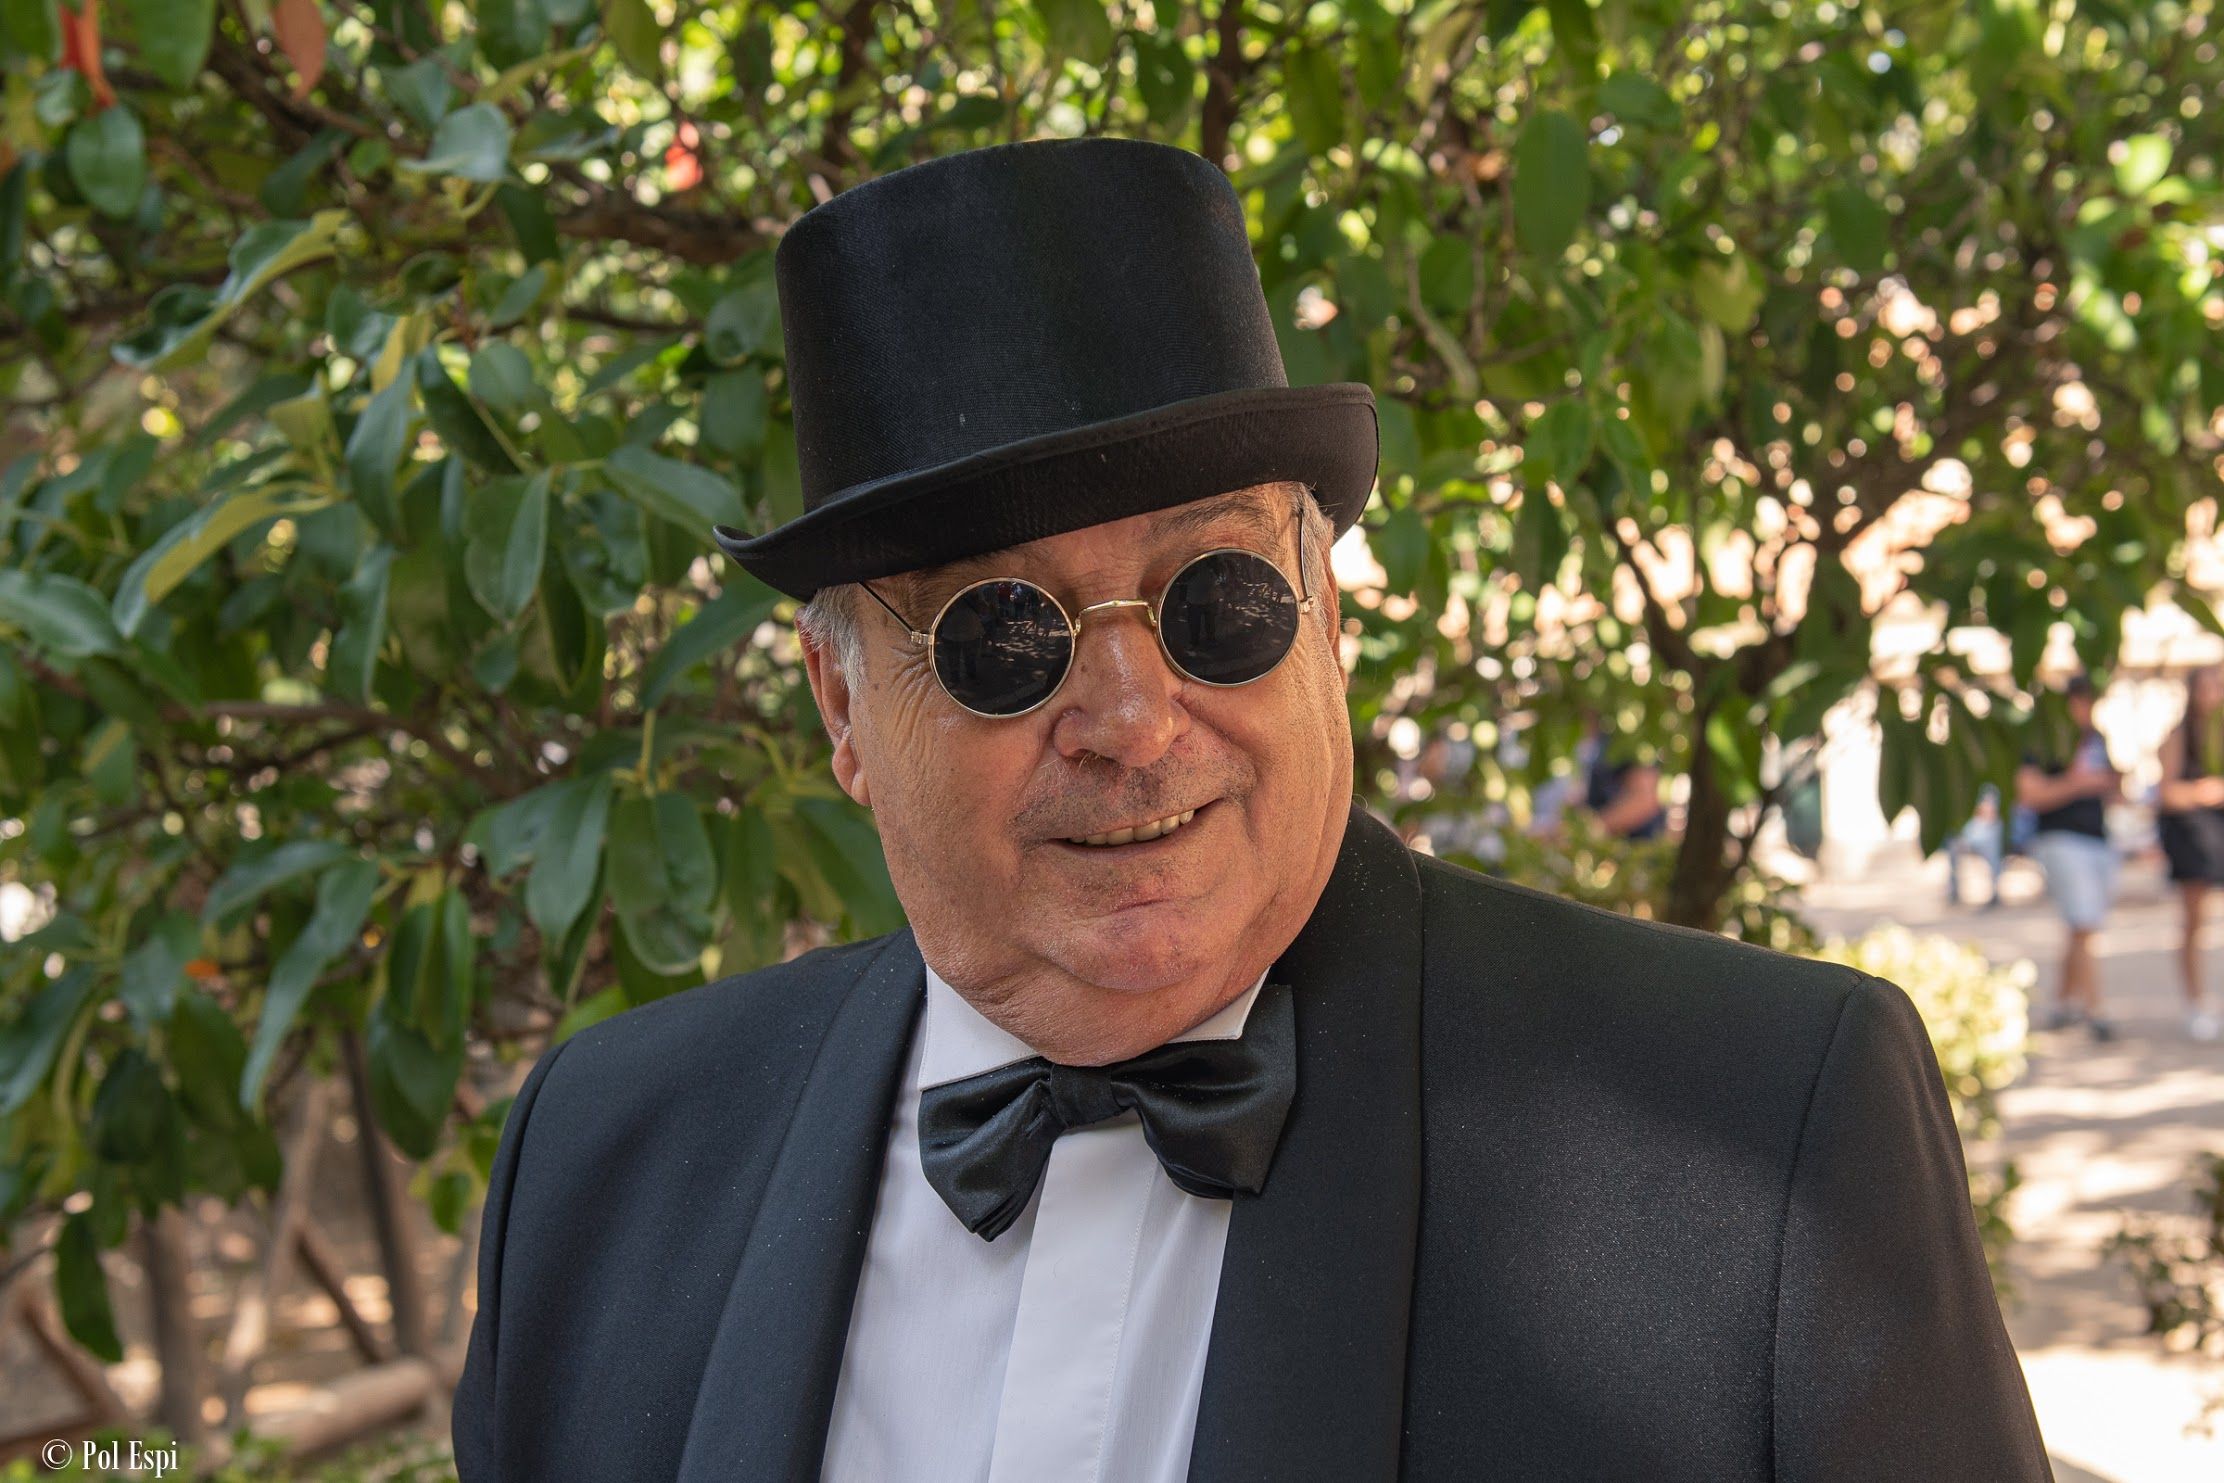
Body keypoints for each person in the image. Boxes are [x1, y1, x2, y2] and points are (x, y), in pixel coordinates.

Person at [451, 138, 2049, 1480]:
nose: (1134, 721)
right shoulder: (600, 1165)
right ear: (842, 709)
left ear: (1326, 616)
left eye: (1217, 598)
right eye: (1005, 636)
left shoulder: (1760, 1141)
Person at [2016, 672, 2123, 1041]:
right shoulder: (2044, 742)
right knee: (2084, 924)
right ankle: (2096, 1010)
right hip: (2060, 838)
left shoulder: (2097, 738)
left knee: (2080, 927)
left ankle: (2062, 1004)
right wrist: (2076, 783)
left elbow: (2109, 786)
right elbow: (2029, 794)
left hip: (2098, 839)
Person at [2154, 661, 2224, 1041]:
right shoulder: (2180, 736)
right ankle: (2197, 1004)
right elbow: (2166, 793)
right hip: (2193, 838)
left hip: (2214, 832)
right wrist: (2205, 792)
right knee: (2194, 922)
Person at [1944, 782, 2005, 910]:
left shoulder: (1995, 821)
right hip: (1967, 839)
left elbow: (1991, 818)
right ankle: (1953, 890)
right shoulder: (1971, 817)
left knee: (1992, 852)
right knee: (1952, 845)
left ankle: (1994, 892)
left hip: (1986, 841)